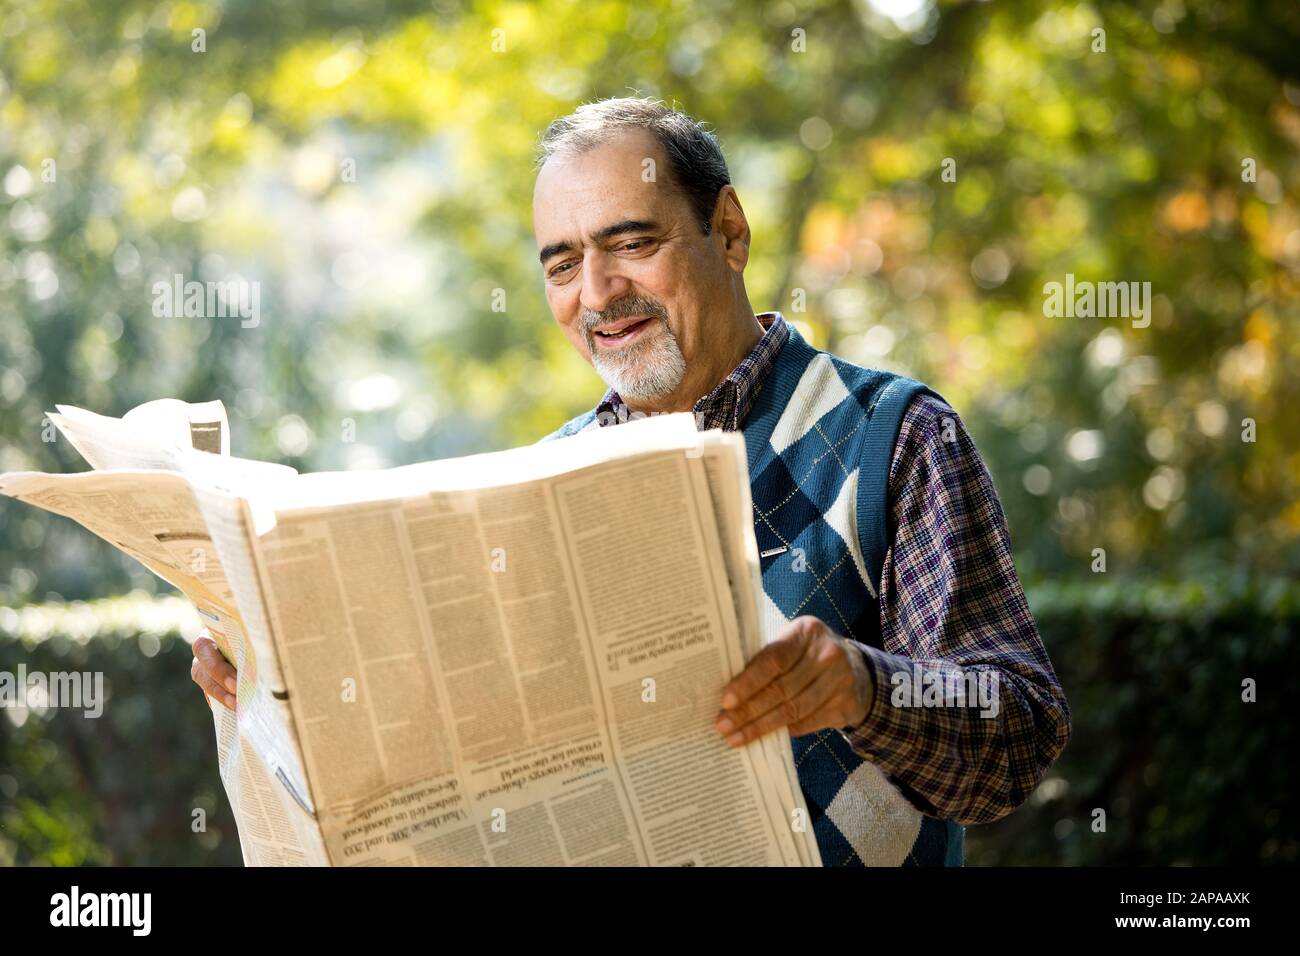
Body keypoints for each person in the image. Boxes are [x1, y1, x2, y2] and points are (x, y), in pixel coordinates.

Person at [192, 96, 1071, 866]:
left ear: (729, 230)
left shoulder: (897, 435)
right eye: (562, 263)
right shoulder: (543, 480)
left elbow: (1020, 731)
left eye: (632, 243)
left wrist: (863, 687)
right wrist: (284, 697)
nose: (599, 292)